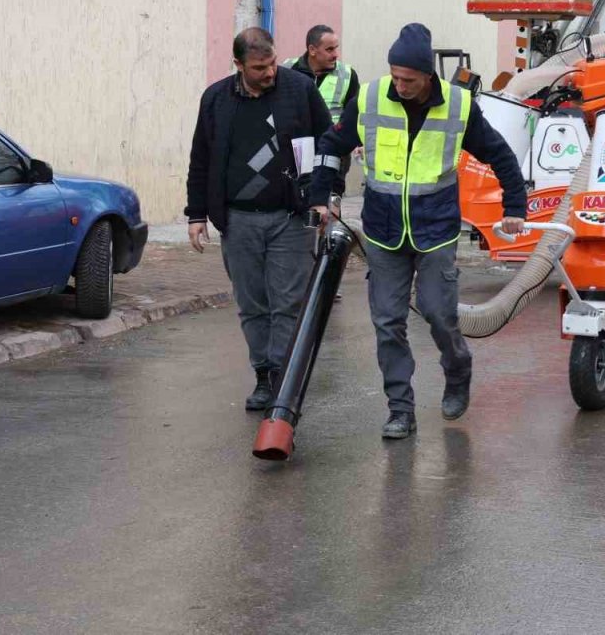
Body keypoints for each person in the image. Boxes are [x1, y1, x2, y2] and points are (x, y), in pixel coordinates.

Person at [308, 23, 527, 440]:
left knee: (438, 313)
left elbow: (501, 155)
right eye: (395, 76)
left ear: (429, 76)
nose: (399, 85)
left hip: (436, 230)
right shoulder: (371, 98)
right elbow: (331, 147)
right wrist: (321, 194)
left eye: (408, 79)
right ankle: (400, 409)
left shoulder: (459, 106)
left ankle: (457, 369)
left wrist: (514, 206)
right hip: (383, 231)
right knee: (387, 322)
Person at [186, 27, 335, 411]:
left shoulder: (299, 90)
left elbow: (330, 146)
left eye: (271, 64)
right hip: (237, 221)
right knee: (253, 305)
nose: (269, 73)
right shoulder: (216, 100)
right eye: (258, 68)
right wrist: (196, 214)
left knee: (287, 303)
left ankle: (285, 381)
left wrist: (322, 198)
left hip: (290, 217)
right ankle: (264, 376)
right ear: (238, 65)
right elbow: (201, 159)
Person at [283, 24, 359, 198]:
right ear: (312, 50)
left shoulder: (347, 75)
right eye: (329, 49)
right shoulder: (287, 69)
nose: (335, 54)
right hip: (296, 148)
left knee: (329, 200)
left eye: (336, 48)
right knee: (297, 199)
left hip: (332, 149)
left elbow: (353, 115)